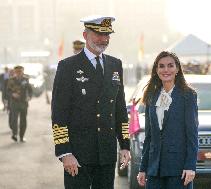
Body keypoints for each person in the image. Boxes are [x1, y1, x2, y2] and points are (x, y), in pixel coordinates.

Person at [51, 15, 130, 189]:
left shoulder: (115, 64)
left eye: (107, 35)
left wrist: (125, 145)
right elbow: (59, 113)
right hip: (78, 155)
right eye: (98, 34)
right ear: (85, 35)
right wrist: (65, 152)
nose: (103, 39)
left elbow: (120, 109)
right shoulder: (68, 66)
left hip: (106, 153)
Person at [137, 51, 199, 189]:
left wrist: (190, 166)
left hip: (178, 169)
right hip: (154, 169)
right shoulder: (151, 95)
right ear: (156, 70)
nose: (166, 70)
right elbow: (149, 136)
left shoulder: (188, 95)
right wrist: (143, 168)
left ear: (177, 69)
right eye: (161, 66)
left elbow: (192, 135)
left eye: (170, 66)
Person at [6, 65, 32, 142]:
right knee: (14, 119)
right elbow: (7, 91)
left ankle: (21, 136)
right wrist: (12, 94)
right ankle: (14, 134)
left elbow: (30, 90)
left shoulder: (26, 79)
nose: (19, 73)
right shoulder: (11, 80)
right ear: (15, 72)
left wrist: (29, 97)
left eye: (20, 71)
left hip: (24, 102)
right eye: (17, 72)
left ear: (23, 71)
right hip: (14, 103)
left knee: (23, 120)